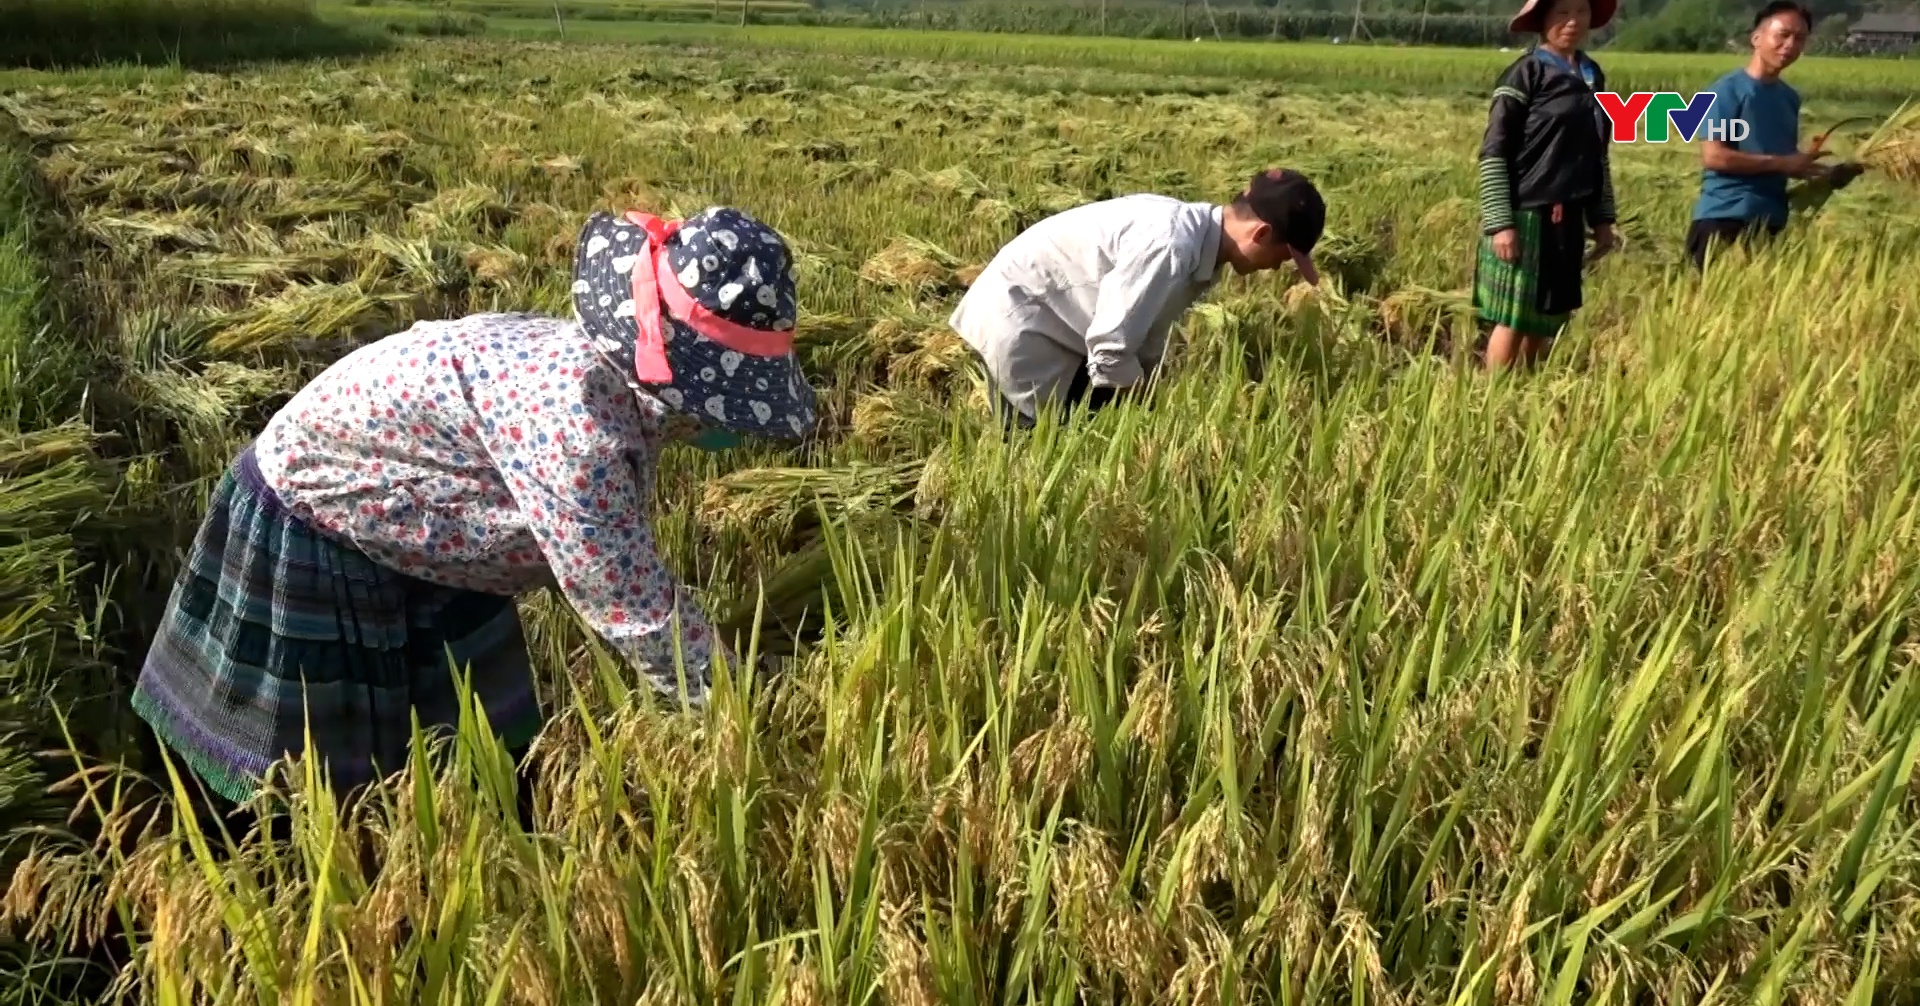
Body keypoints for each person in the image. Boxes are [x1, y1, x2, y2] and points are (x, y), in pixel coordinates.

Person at [129, 205, 818, 820]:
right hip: (322, 519)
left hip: (431, 528)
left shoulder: (607, 378)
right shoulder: (577, 433)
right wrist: (752, 713)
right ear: (682, 384)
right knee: (321, 793)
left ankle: (477, 832)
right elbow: (637, 610)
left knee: (478, 750)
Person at [947, 169, 1325, 429]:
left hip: (1051, 323)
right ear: (1260, 233)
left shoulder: (1195, 242)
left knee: (1094, 429)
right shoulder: (1171, 245)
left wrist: (1150, 391)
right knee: (1039, 454)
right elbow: (1110, 348)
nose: (1277, 268)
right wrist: (1145, 409)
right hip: (1023, 325)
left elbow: (1142, 332)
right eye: (1284, 256)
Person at [1472, 0, 1620, 371]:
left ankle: (1525, 391)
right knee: (1515, 316)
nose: (1572, 22)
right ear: (1542, 20)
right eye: (1561, 12)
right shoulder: (1526, 73)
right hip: (1526, 212)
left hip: (1568, 214)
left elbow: (1598, 154)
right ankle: (1492, 402)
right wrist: (1500, 223)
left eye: (1581, 12)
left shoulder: (1592, 75)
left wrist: (1602, 220)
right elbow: (1494, 151)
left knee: (1546, 315)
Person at [1685, 0, 1838, 271]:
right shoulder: (1725, 92)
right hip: (1725, 218)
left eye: (1799, 38)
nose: (1790, 45)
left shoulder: (1788, 98)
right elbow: (1714, 157)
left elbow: (1781, 160)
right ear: (1756, 38)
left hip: (1770, 221)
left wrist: (1822, 174)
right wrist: (1784, 164)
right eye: (1783, 35)